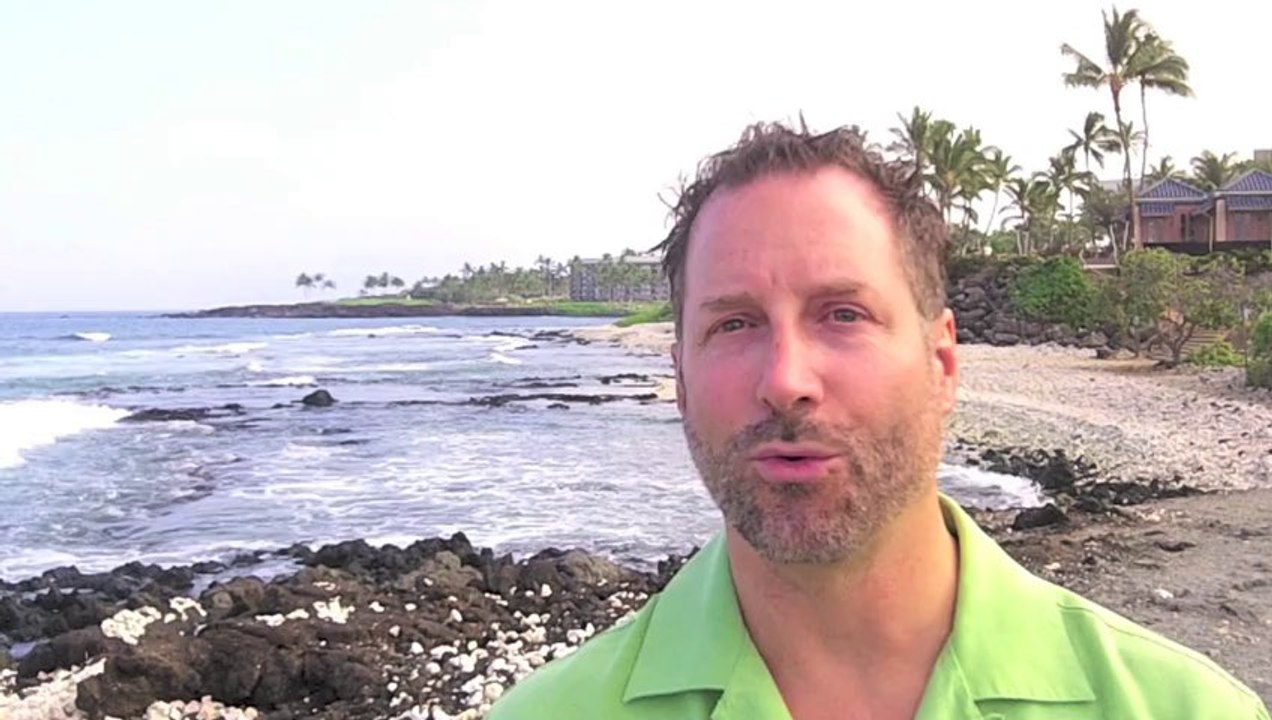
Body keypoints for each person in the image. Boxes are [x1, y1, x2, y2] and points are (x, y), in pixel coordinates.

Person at [488, 120, 1270, 719]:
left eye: (843, 314)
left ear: (943, 364)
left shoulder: (1182, 708)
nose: (786, 381)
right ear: (681, 381)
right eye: (733, 325)